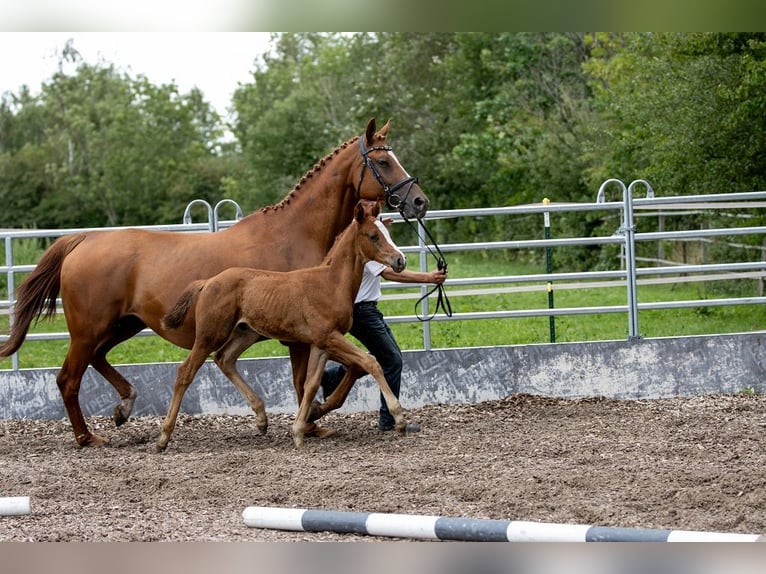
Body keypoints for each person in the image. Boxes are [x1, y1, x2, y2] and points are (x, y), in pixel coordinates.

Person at [319, 217, 448, 433]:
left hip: (365, 310)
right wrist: (428, 277)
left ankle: (332, 377)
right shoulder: (366, 246)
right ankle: (388, 420)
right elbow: (388, 272)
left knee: (381, 357)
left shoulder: (360, 238)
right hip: (362, 312)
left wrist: (381, 227)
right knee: (392, 359)